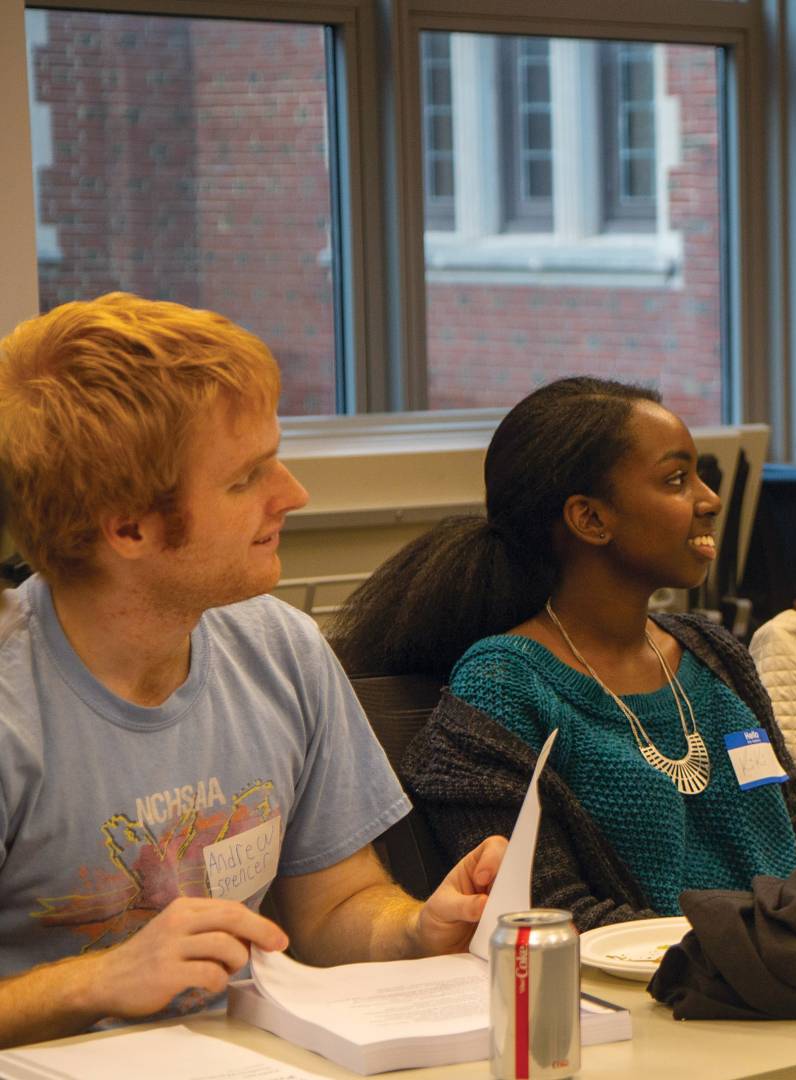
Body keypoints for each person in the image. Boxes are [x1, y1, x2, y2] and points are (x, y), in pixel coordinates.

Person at [0, 295, 505, 1049]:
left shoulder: (280, 647)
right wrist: (92, 982)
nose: (292, 495)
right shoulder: (16, 706)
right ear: (129, 527)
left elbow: (336, 908)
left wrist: (419, 927)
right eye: (245, 480)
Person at [331, 377, 796, 928]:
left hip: (795, 974)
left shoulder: (713, 654)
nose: (710, 499)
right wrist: (765, 946)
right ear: (590, 519)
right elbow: (545, 914)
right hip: (647, 998)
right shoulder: (503, 687)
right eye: (676, 480)